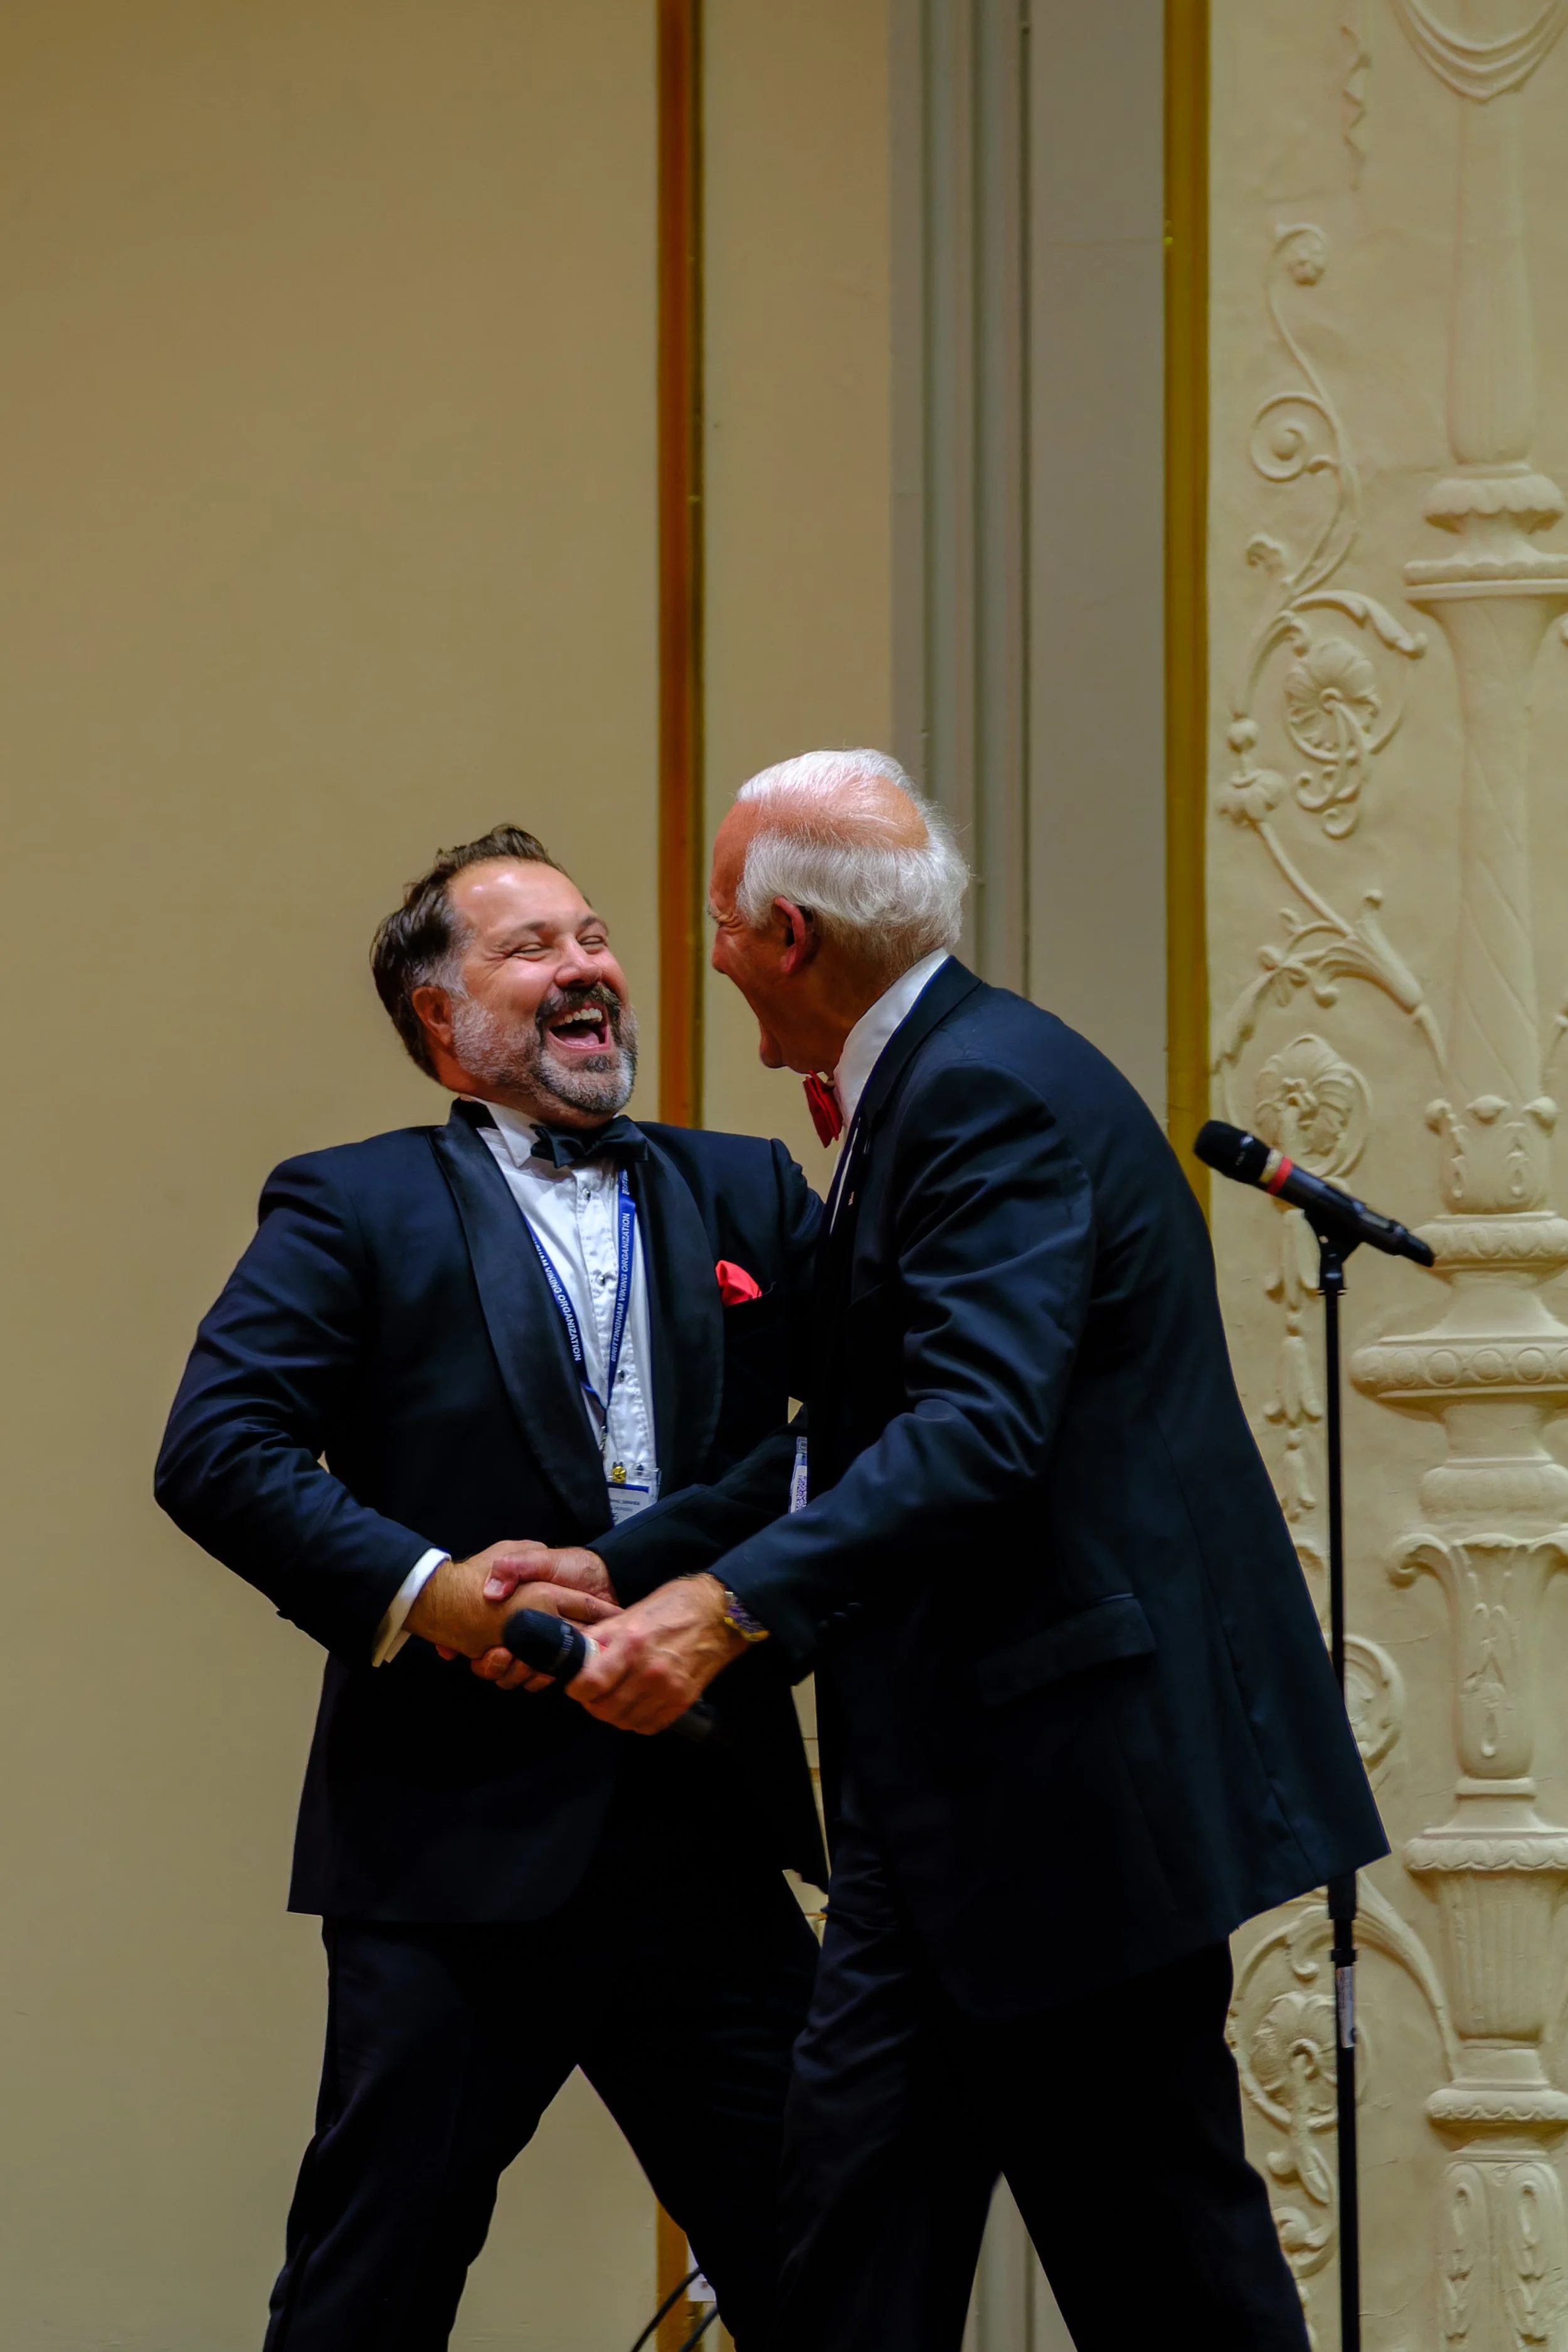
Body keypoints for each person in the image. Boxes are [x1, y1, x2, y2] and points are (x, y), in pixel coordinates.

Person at [520, 753, 1389, 2350]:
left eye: (716, 915)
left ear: (785, 932)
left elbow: (976, 1433)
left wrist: (717, 1612)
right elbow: (845, 1444)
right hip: (950, 1817)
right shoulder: (938, 1076)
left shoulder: (981, 1088)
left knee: (1163, 2278)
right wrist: (621, 1563)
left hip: (1063, 1811)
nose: (701, 948)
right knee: (844, 2259)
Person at [155, 825, 826, 2352]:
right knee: (366, 2295)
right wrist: (435, 1593)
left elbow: (854, 1442)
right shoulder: (349, 1205)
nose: (586, 966)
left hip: (708, 1827)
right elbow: (218, 1452)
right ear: (440, 1027)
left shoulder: (748, 1190)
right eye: (530, 948)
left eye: (591, 938)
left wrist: (634, 1569)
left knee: (836, 2276)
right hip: (449, 1846)